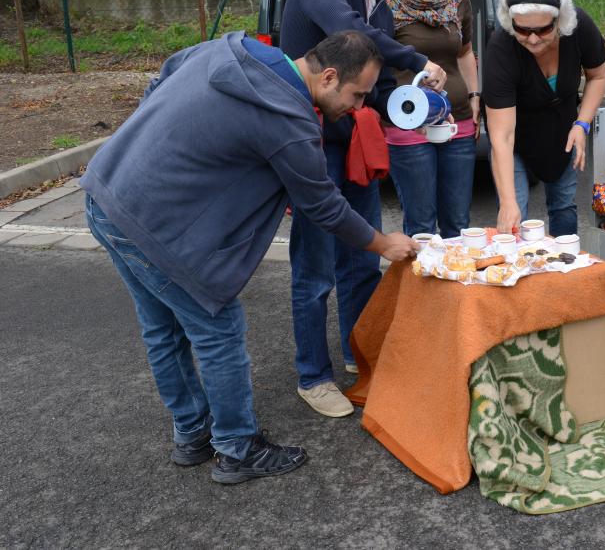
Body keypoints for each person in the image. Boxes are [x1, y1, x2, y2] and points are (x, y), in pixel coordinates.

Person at [81, 30, 419, 484]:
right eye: (358, 95)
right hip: (151, 225)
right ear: (330, 76)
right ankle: (237, 448)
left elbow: (167, 72)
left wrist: (155, 138)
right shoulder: (289, 118)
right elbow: (321, 203)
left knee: (161, 327)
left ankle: (193, 434)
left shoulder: (233, 49)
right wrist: (382, 243)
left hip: (107, 190)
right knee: (218, 329)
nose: (358, 108)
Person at [279, 0, 447, 419]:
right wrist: (419, 59)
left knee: (360, 260)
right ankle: (314, 377)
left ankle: (362, 356)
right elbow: (351, 36)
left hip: (355, 144)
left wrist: (406, 99)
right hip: (313, 144)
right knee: (314, 268)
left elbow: (371, 77)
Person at [483, 0, 605, 237]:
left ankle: (565, 268)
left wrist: (581, 124)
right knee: (515, 213)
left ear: (559, 20)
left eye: (543, 29)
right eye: (522, 29)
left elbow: (598, 76)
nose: (532, 39)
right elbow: (502, 137)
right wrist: (507, 203)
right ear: (511, 22)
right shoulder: (501, 47)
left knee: (563, 206)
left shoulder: (579, 27)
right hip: (516, 137)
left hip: (563, 128)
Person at [384, 0, 480, 237]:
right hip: (408, 124)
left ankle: (453, 287)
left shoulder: (458, 1)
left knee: (458, 226)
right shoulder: (387, 5)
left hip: (458, 122)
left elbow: (465, 53)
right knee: (422, 228)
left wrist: (475, 96)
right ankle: (420, 287)